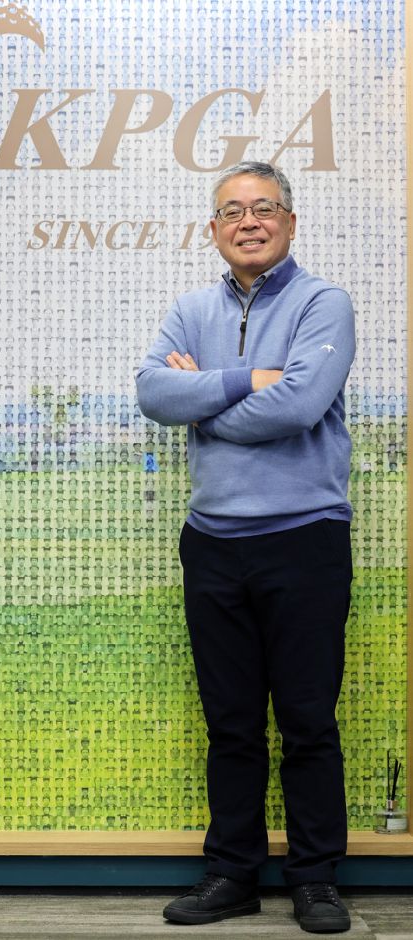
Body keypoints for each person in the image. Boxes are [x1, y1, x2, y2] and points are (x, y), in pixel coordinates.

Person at [135, 161, 355, 934]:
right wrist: (249, 377)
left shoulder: (324, 302)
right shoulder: (191, 308)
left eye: (264, 208)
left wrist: (203, 398)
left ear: (289, 222)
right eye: (232, 211)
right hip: (212, 545)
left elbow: (298, 405)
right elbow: (152, 391)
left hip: (305, 540)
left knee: (307, 721)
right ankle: (231, 873)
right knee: (230, 723)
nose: (248, 221)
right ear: (214, 229)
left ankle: (316, 879)